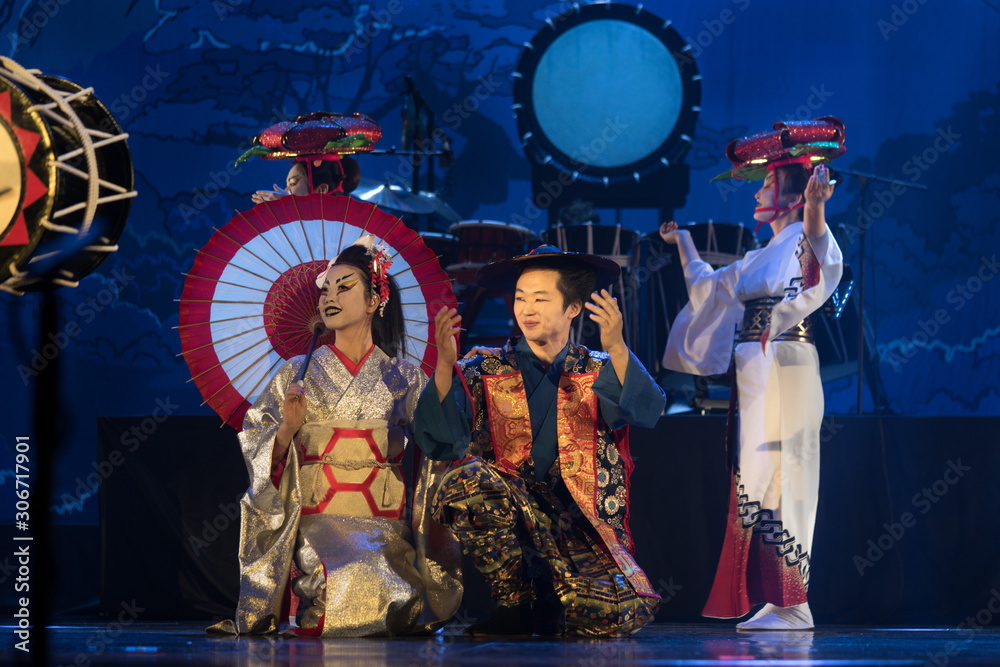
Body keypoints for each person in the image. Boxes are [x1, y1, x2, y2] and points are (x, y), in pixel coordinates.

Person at [210, 237, 461, 637]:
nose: (329, 295)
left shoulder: (403, 376)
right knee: (353, 572)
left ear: (375, 300)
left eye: (344, 286)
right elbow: (257, 443)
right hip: (319, 520)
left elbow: (440, 441)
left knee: (394, 581)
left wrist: (445, 368)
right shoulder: (297, 373)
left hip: (382, 521)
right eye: (326, 288)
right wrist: (288, 429)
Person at [414, 245, 666, 638]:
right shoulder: (483, 368)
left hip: (579, 524)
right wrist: (445, 367)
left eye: (540, 299)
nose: (526, 309)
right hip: (510, 517)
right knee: (467, 480)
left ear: (573, 308)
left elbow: (646, 410)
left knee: (607, 617)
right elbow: (441, 442)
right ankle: (514, 604)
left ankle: (551, 601)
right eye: (520, 299)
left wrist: (617, 346)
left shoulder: (598, 367)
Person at [660, 117, 846, 630]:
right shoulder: (758, 254)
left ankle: (795, 603)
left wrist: (814, 209)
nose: (758, 191)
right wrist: (684, 243)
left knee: (787, 477)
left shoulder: (803, 239)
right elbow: (706, 288)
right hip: (757, 371)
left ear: (788, 193)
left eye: (766, 183)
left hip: (786, 363)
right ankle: (780, 599)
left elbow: (819, 260)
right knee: (757, 478)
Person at [250, 156, 361, 204]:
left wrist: (291, 207)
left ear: (322, 190)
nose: (285, 189)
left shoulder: (340, 232)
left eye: (292, 184)